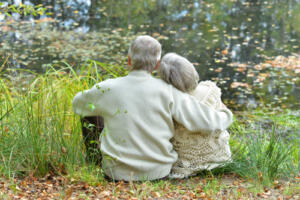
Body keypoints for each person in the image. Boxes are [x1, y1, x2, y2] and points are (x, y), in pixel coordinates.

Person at [72, 35, 233, 181]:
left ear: (129, 60)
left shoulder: (107, 88)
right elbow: (204, 121)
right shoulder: (168, 91)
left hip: (115, 173)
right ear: (157, 65)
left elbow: (77, 105)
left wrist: (102, 109)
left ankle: (94, 161)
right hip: (158, 173)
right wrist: (225, 114)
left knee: (90, 110)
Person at [159, 53, 232, 178]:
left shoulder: (167, 103)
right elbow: (222, 113)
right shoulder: (210, 90)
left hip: (185, 167)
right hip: (220, 159)